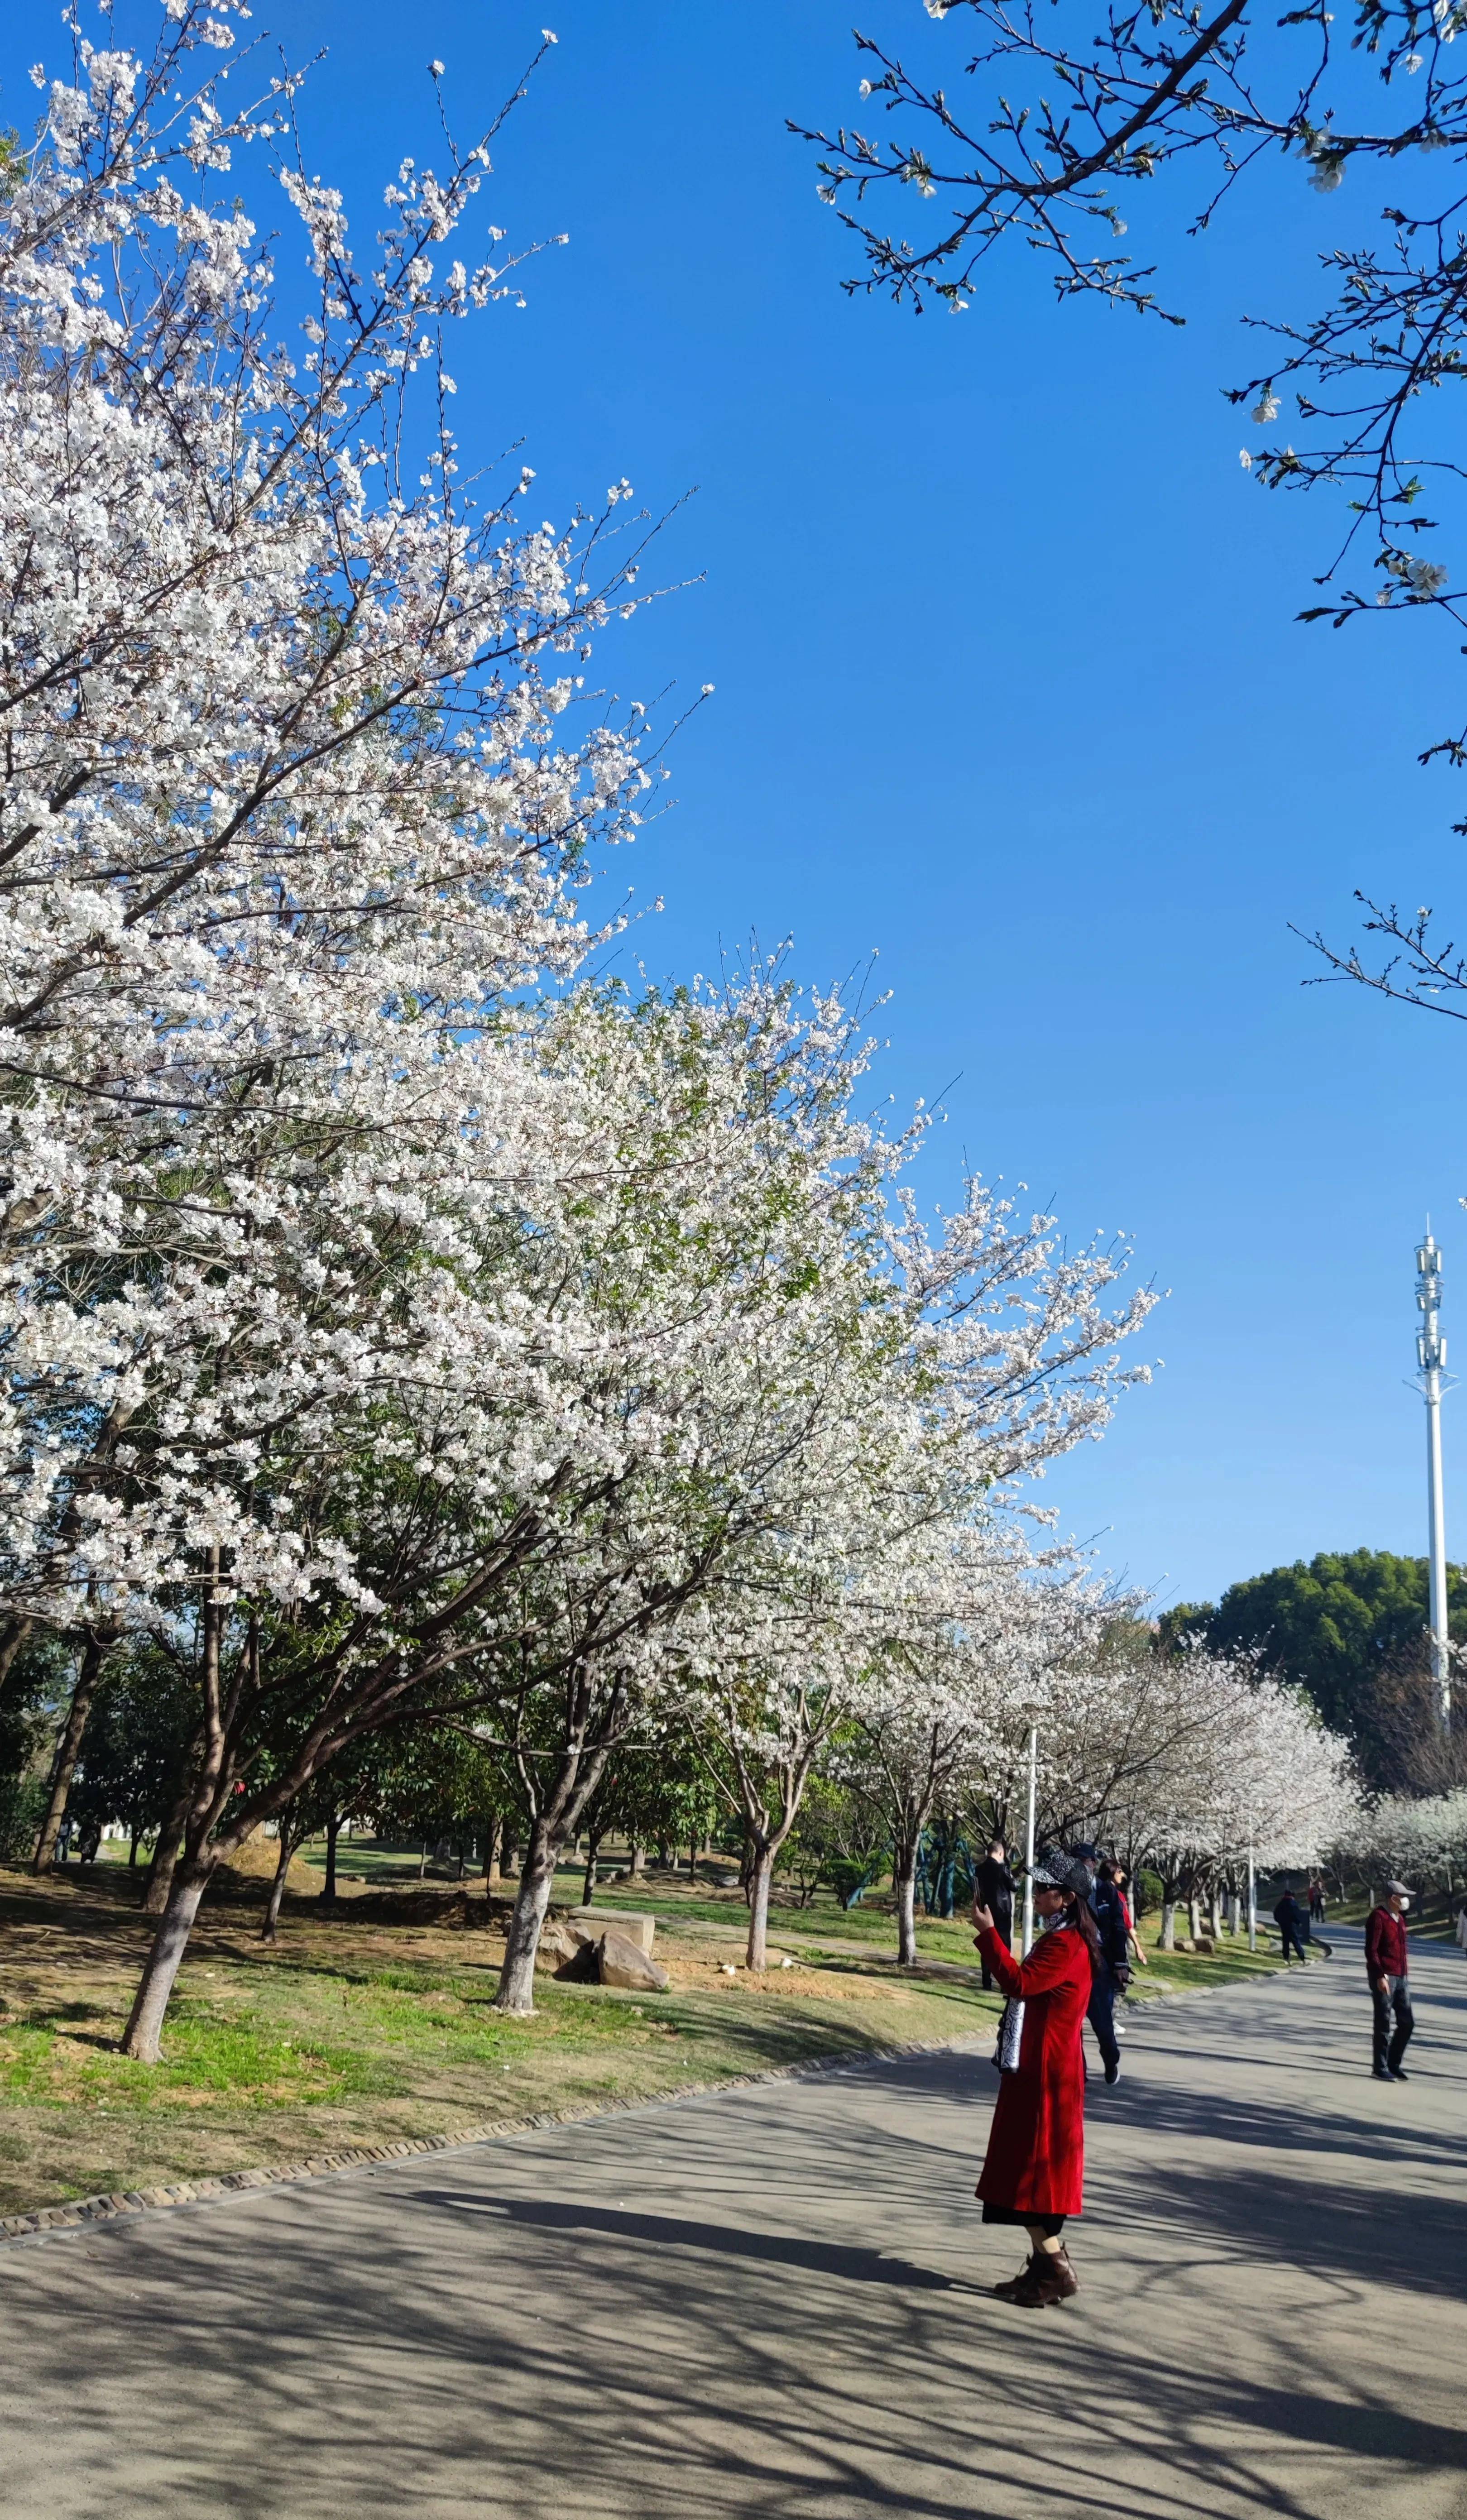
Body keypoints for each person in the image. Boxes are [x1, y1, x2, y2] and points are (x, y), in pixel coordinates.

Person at [972, 1848, 1096, 2307]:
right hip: (1039, 2071)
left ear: (1066, 1898)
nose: (1037, 1894)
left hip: (1047, 2079)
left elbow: (1019, 1983)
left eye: (1045, 1888)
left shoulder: (1066, 1946)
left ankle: (1056, 2269)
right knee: (1026, 2176)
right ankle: (1042, 2271)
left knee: (1033, 2178)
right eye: (1038, 1885)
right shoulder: (1063, 1939)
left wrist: (989, 1936)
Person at [1073, 1843, 1124, 2084]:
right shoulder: (1067, 1892)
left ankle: (1111, 2058)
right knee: (1072, 2022)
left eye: (1083, 1860)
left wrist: (1121, 1964)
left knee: (1102, 2023)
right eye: (1074, 1860)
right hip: (1074, 1959)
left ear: (1093, 1863)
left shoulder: (1107, 1892)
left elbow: (1118, 1928)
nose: (1080, 1865)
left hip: (1101, 1963)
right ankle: (1079, 2070)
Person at [1366, 1881, 1415, 2081]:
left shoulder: (1400, 1919)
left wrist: (1404, 1973)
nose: (1406, 1900)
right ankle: (1380, 2067)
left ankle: (1394, 2063)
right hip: (1385, 1977)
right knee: (1383, 2023)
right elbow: (1372, 1950)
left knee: (1407, 2023)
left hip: (1402, 1976)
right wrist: (1379, 1976)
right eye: (1403, 1896)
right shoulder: (1378, 1917)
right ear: (1393, 1898)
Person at [973, 1840, 1015, 1993]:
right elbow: (1014, 1886)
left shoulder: (979, 1869)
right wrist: (1008, 1869)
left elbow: (977, 1889)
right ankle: (1005, 1984)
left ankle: (986, 1980)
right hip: (1002, 1913)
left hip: (986, 1910)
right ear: (1001, 1853)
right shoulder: (1002, 1869)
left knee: (988, 1945)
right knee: (1004, 1946)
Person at [1107, 1862, 1148, 1973]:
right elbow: (1126, 1925)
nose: (1123, 1875)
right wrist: (1138, 1947)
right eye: (1120, 1872)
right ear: (1112, 1872)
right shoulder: (1118, 1897)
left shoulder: (1098, 1892)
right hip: (1115, 1948)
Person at [1273, 1882, 1310, 1965]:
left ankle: (1286, 1959)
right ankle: (1302, 1958)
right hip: (1291, 1925)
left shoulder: (1281, 1904)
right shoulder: (1292, 1904)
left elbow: (1276, 1914)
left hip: (1283, 1925)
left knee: (1285, 1942)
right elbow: (1294, 1914)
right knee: (1296, 1941)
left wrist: (1280, 1921)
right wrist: (1298, 1922)